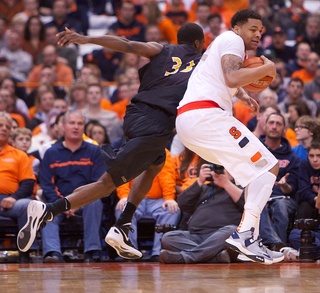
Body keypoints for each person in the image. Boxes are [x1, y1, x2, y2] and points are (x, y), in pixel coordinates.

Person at [17, 23, 204, 261]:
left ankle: (123, 224)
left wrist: (85, 39)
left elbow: (126, 44)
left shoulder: (162, 49)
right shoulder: (202, 64)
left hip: (138, 114)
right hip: (155, 123)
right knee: (107, 185)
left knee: (157, 162)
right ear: (199, 44)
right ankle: (48, 211)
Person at [175, 9, 281, 265]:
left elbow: (225, 79)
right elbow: (232, 75)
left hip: (193, 122)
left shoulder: (221, 46)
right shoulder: (232, 40)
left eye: (260, 30)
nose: (257, 34)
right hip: (206, 117)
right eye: (252, 28)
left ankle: (248, 234)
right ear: (237, 27)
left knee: (257, 173)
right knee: (269, 166)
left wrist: (241, 94)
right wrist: (268, 68)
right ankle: (246, 234)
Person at [38, 110, 105, 263]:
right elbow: (48, 185)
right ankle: (53, 253)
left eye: (79, 123)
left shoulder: (94, 151)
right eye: (72, 123)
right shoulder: (51, 153)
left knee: (95, 203)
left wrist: (77, 202)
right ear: (63, 126)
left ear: (84, 127)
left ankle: (92, 251)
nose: (76, 127)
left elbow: (97, 183)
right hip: (58, 202)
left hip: (86, 201)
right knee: (46, 209)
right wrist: (64, 205)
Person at [160, 163, 247, 264]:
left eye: (222, 169)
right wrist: (199, 181)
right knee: (168, 237)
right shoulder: (205, 188)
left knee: (233, 231)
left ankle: (186, 257)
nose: (218, 172)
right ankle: (214, 258)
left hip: (220, 237)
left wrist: (226, 184)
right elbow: (182, 204)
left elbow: (246, 204)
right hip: (196, 236)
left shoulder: (240, 187)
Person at [115, 149, 180, 261]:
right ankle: (129, 252)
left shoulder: (162, 151)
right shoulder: (128, 150)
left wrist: (169, 198)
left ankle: (158, 252)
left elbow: (167, 175)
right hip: (134, 198)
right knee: (122, 209)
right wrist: (124, 196)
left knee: (172, 210)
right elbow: (122, 176)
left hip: (157, 200)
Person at [259, 112, 300, 251]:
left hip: (283, 197)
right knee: (257, 204)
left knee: (280, 206)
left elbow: (292, 189)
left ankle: (278, 248)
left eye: (278, 124)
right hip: (260, 195)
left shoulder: (292, 157)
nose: (274, 126)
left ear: (284, 129)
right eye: (271, 123)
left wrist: (284, 186)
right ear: (264, 126)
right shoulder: (254, 151)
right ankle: (275, 244)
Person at [0, 111, 36, 263]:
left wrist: (13, 198)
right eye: (0, 125)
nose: (4, 128)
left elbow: (28, 183)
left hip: (11, 200)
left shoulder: (19, 155)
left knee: (28, 205)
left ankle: (25, 252)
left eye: (7, 126)